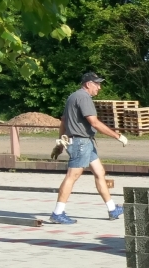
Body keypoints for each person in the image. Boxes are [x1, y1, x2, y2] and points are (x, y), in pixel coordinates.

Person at [48, 72, 128, 224]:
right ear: (88, 84)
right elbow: (94, 122)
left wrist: (60, 143)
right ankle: (57, 213)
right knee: (72, 176)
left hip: (85, 142)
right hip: (81, 143)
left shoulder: (73, 96)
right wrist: (117, 136)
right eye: (97, 84)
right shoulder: (84, 98)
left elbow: (63, 121)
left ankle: (112, 209)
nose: (99, 87)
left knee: (99, 172)